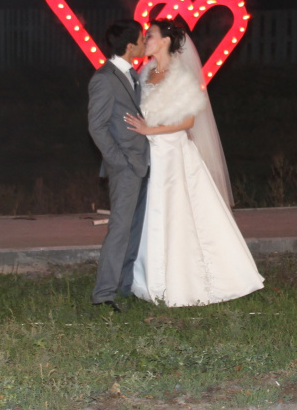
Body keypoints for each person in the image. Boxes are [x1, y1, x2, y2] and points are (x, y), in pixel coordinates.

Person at [124, 17, 265, 307]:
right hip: (153, 154)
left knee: (179, 217)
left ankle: (184, 282)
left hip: (174, 155)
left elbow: (187, 120)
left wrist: (150, 130)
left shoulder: (180, 74)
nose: (145, 40)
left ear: (164, 41)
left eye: (149, 36)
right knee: (154, 216)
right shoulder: (147, 70)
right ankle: (152, 280)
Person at [87, 19, 148, 309]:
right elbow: (96, 127)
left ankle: (124, 286)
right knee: (120, 229)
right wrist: (119, 162)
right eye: (142, 38)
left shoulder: (133, 75)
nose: (145, 42)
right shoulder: (104, 78)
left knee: (134, 228)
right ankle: (103, 294)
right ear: (130, 45)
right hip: (125, 166)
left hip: (143, 164)